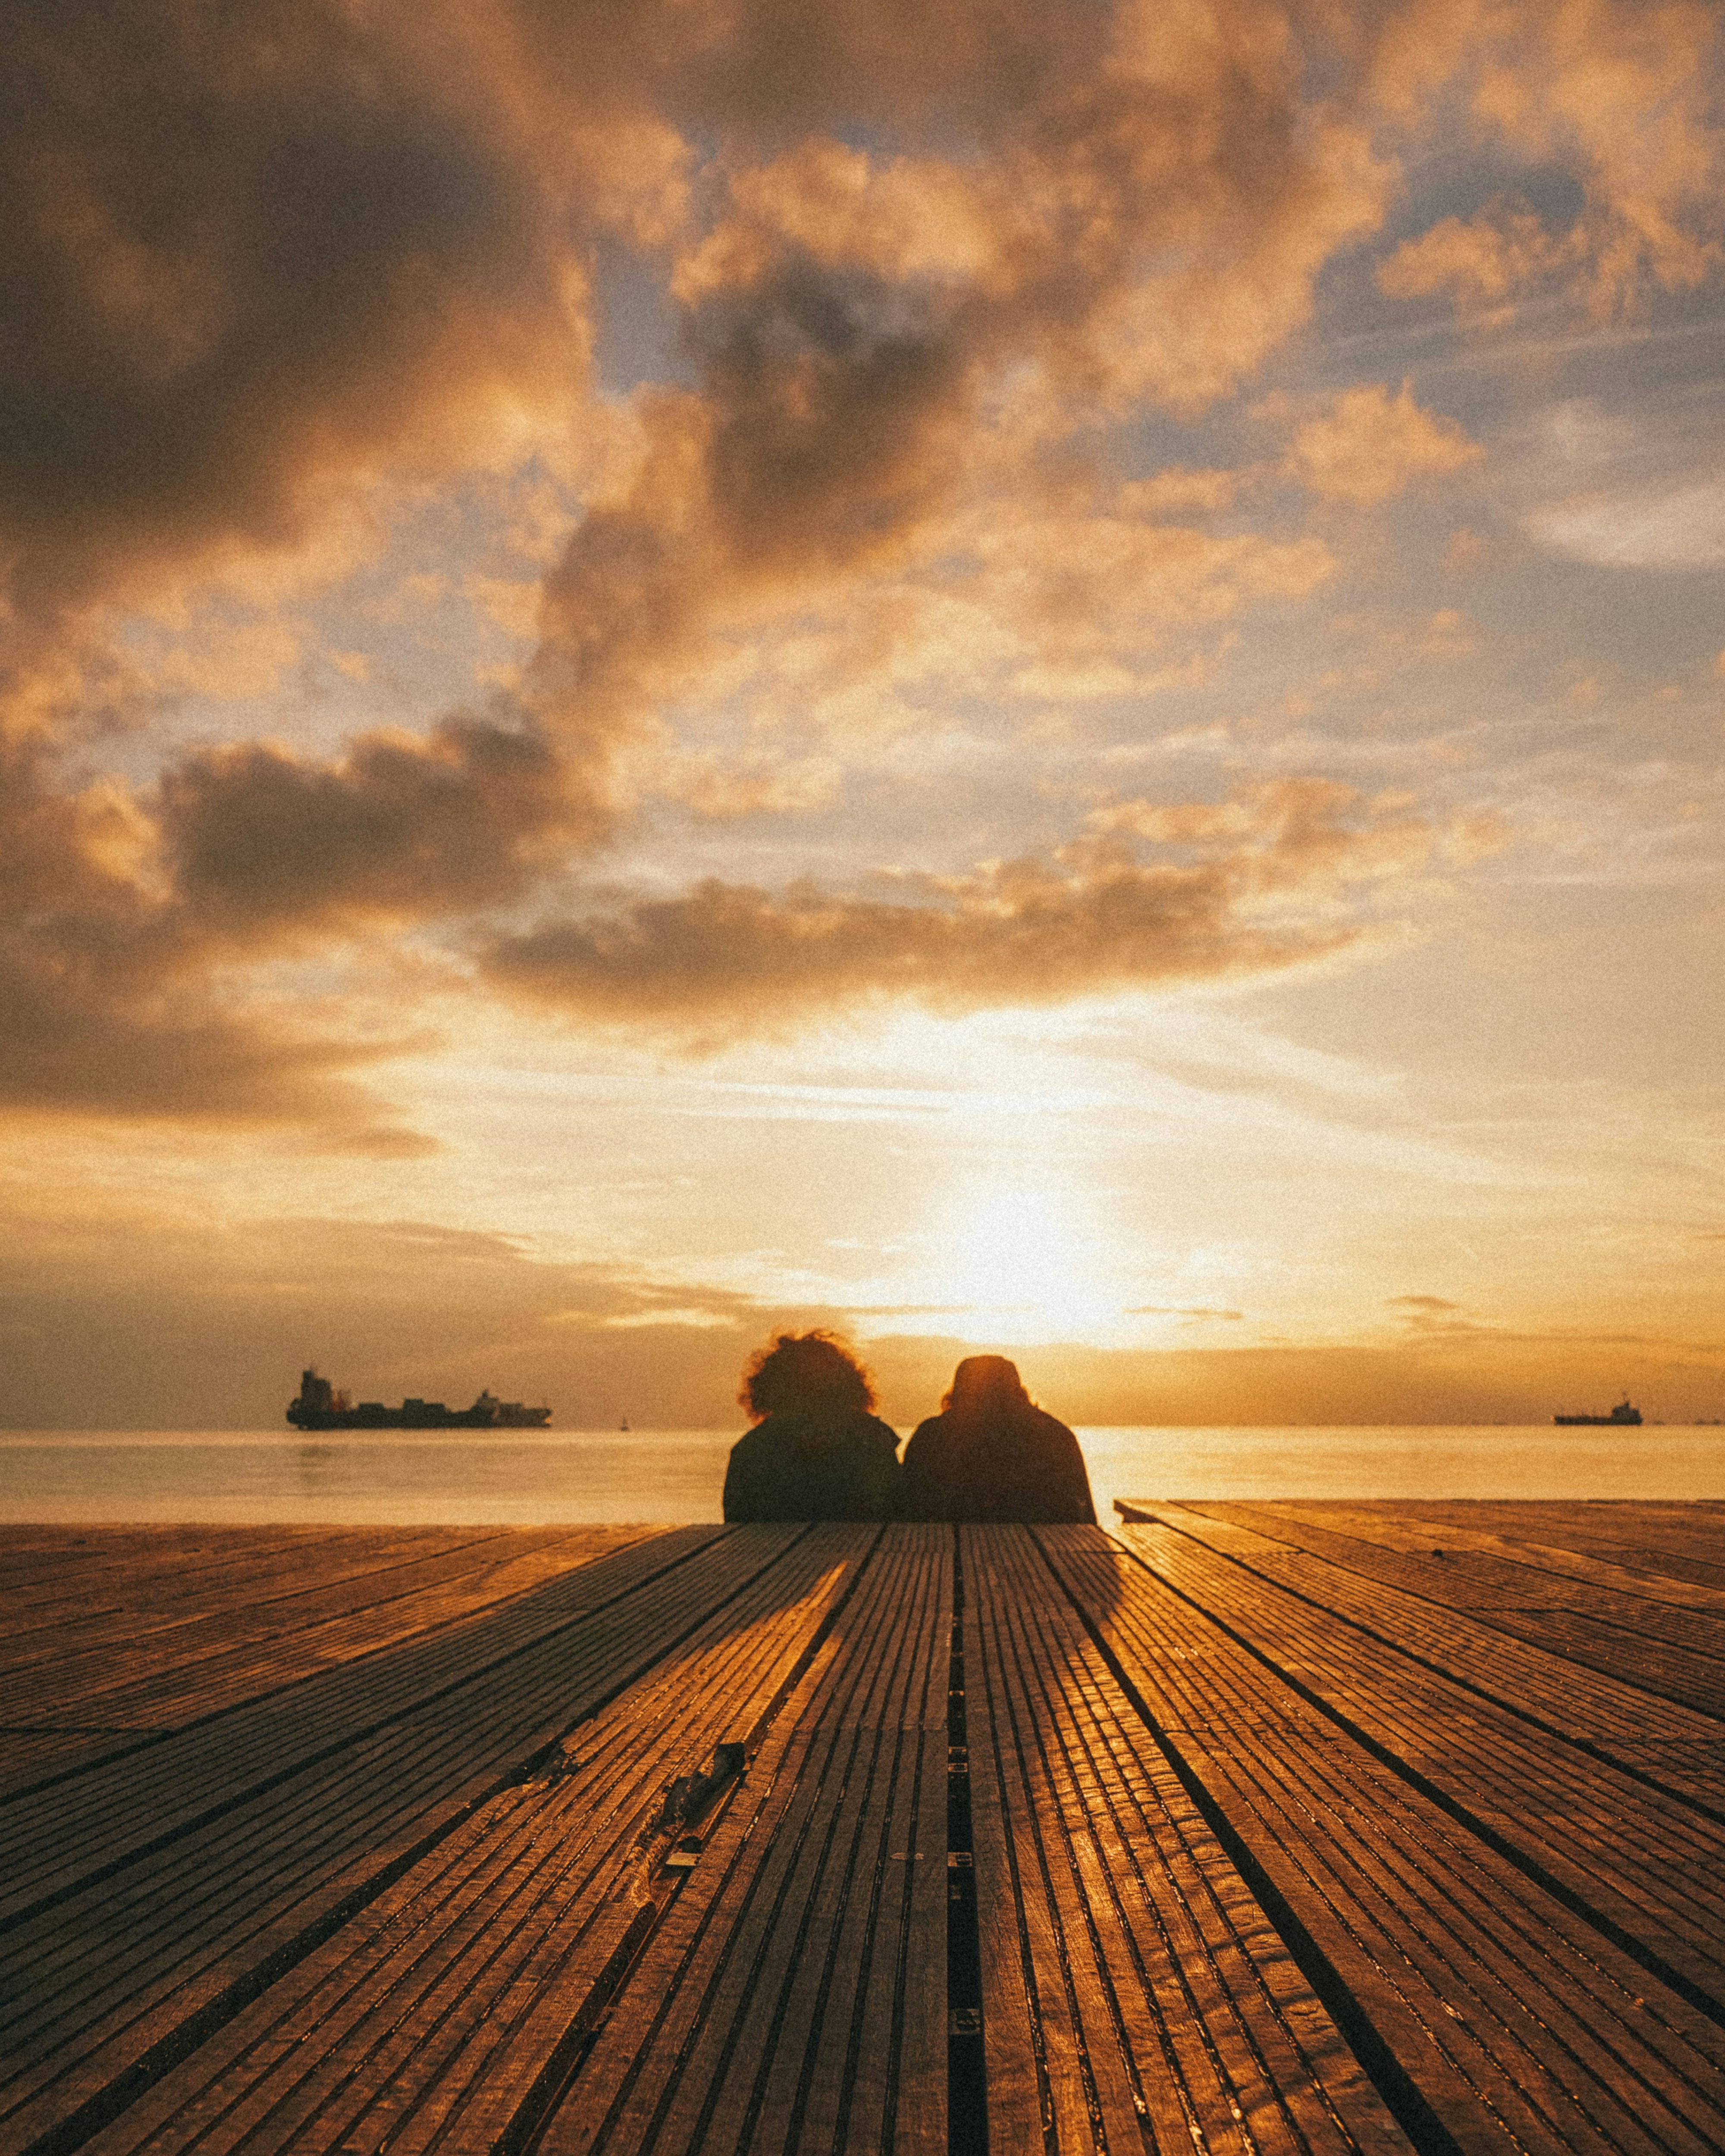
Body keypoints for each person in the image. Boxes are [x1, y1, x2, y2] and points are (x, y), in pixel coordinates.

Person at [722, 1330, 903, 1522]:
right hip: (865, 1549)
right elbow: (896, 1512)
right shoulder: (873, 1438)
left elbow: (736, 1521)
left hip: (773, 1551)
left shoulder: (752, 1448)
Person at [900, 1355, 1095, 1523]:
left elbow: (904, 1511)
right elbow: (1087, 1514)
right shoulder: (1056, 1434)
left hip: (946, 1556)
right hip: (1051, 1556)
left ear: (958, 1392)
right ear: (1018, 1391)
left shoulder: (931, 1435)